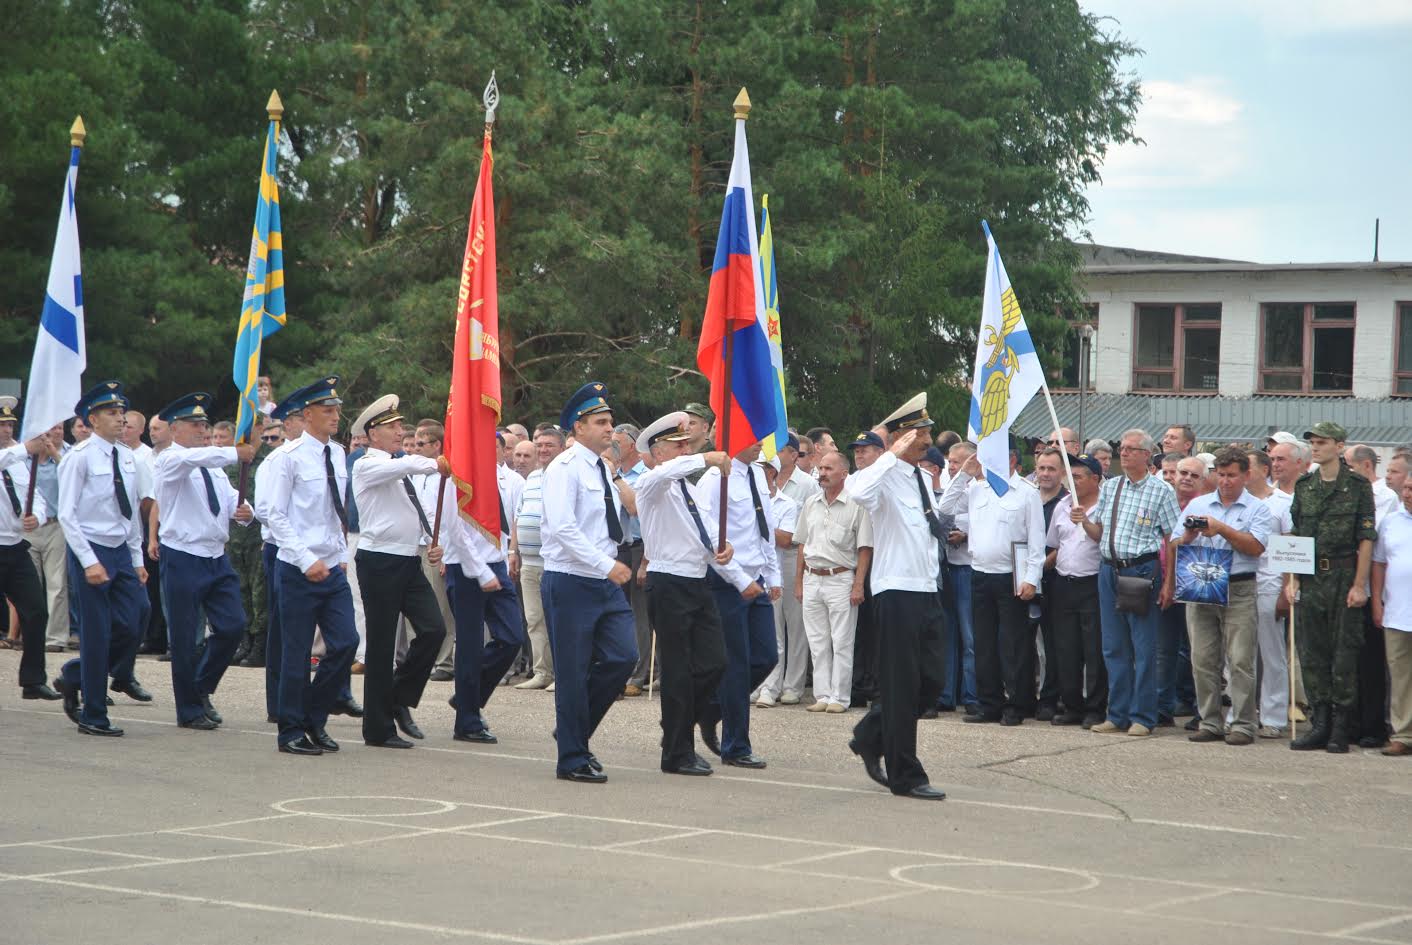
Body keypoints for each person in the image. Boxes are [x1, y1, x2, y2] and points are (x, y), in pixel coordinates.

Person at [843, 393, 946, 800]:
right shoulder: (882, 477)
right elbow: (856, 490)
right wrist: (888, 452)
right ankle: (906, 775)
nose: (928, 438)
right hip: (896, 590)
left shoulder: (921, 477)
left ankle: (871, 733)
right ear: (904, 435)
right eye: (921, 432)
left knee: (931, 682)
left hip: (926, 588)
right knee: (901, 686)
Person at [633, 412, 744, 775]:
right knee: (678, 671)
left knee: (715, 663)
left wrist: (724, 554)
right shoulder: (652, 483)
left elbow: (708, 530)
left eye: (687, 444)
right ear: (658, 452)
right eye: (677, 446)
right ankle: (677, 752)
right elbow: (663, 475)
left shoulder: (690, 489)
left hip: (697, 580)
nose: (685, 450)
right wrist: (705, 458)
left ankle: (681, 726)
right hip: (667, 582)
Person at [540, 382, 638, 783]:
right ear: (577, 427)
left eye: (611, 422)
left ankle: (572, 731)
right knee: (573, 671)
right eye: (600, 422)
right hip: (571, 580)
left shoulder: (602, 468)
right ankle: (572, 758)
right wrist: (606, 564)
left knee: (622, 656)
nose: (609, 430)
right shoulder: (563, 468)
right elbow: (563, 528)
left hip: (601, 579)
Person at [263, 376, 359, 756]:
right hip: (298, 568)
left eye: (337, 409)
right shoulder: (286, 458)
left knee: (347, 642)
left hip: (331, 566)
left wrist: (339, 556)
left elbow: (334, 511)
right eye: (327, 410)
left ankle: (314, 716)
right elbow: (275, 515)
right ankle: (290, 730)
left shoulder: (336, 453)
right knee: (297, 652)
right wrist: (306, 560)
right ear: (307, 415)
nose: (336, 415)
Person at [151, 393, 257, 730]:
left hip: (215, 556)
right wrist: (233, 453)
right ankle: (189, 709)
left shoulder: (212, 468)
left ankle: (201, 686)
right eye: (194, 424)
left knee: (232, 625)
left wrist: (245, 512)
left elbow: (230, 505)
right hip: (183, 556)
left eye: (204, 424)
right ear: (175, 429)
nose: (202, 429)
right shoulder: (171, 460)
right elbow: (196, 461)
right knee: (184, 638)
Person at [349, 395, 448, 749]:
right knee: (381, 645)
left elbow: (408, 513)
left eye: (399, 426)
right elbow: (403, 468)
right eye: (392, 427)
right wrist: (431, 463)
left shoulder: (398, 466)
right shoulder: (368, 465)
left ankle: (399, 697)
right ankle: (378, 728)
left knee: (434, 630)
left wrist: (430, 541)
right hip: (378, 563)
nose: (399, 432)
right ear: (373, 433)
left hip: (408, 560)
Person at [53, 382, 150, 736]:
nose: (120, 418)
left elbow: (130, 513)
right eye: (112, 413)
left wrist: (136, 558)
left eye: (122, 412)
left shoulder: (127, 455)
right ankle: (94, 715)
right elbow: (67, 514)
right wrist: (89, 560)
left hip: (121, 549)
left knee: (137, 615)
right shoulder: (79, 458)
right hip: (91, 547)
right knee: (96, 632)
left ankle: (76, 675)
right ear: (92, 419)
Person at [1079, 428, 1181, 738]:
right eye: (1122, 448)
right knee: (1113, 647)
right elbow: (1099, 533)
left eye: (1131, 449)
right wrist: (1083, 522)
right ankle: (1117, 713)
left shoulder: (1161, 490)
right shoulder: (1111, 488)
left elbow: (1172, 538)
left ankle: (1143, 715)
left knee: (1143, 647)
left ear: (1147, 455)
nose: (1123, 453)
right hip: (1108, 569)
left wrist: (1169, 583)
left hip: (1140, 571)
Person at [940, 439, 1044, 725]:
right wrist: (964, 473)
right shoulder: (976, 488)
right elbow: (944, 508)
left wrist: (1031, 578)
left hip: (1012, 575)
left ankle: (1016, 703)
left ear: (1011, 459)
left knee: (1012, 644)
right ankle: (989, 703)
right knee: (983, 643)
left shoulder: (1026, 492)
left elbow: (1036, 540)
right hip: (980, 573)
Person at [1173, 447, 1272, 746]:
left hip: (1239, 584)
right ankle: (1210, 721)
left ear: (1246, 475)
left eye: (1232, 475)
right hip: (1201, 581)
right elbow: (1175, 543)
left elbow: (1255, 547)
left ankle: (1242, 723)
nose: (1226, 481)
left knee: (1241, 658)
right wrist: (1189, 536)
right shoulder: (1199, 504)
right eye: (1221, 475)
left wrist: (1221, 529)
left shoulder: (1258, 508)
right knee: (1202, 658)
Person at [1288, 422, 1376, 754]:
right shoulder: (1305, 485)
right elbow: (1297, 534)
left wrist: (1359, 585)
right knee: (1312, 652)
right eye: (1313, 442)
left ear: (1340, 446)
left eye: (1322, 442)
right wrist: (1293, 579)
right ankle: (1320, 723)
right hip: (1311, 576)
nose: (1316, 447)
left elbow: (1366, 538)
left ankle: (1341, 726)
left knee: (1344, 652)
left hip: (1342, 574)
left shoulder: (1356, 486)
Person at [697, 438, 781, 769]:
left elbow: (765, 530)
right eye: (754, 438)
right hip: (727, 581)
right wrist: (738, 578)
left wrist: (772, 575)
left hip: (755, 577)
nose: (761, 443)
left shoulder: (757, 474)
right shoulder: (714, 479)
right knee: (736, 664)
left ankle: (711, 709)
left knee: (766, 657)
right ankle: (736, 745)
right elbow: (709, 537)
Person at [438, 437, 525, 747]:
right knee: (471, 645)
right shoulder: (457, 479)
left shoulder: (507, 479)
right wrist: (481, 571)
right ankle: (468, 720)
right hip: (466, 568)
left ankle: (466, 696)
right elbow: (456, 531)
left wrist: (502, 561)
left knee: (512, 636)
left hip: (497, 562)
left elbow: (508, 522)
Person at [793, 449, 872, 712]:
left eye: (828, 469)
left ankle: (839, 697)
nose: (822, 474)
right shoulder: (811, 503)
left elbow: (864, 548)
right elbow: (802, 545)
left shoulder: (857, 504)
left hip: (840, 577)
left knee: (842, 641)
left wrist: (858, 584)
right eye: (820, 469)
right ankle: (822, 695)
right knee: (817, 641)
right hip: (812, 576)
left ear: (843, 473)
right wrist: (798, 582)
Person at [0, 421, 61, 700]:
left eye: (10, 424)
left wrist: (35, 514)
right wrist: (26, 449)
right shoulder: (15, 454)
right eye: (1, 424)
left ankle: (33, 680)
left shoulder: (18, 458)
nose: (7, 430)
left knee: (36, 610)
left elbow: (34, 495)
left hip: (14, 547)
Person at [1044, 453, 1105, 727]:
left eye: (1079, 477)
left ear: (1095, 479)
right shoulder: (1061, 506)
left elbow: (1102, 539)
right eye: (1072, 476)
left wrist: (1085, 522)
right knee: (1065, 648)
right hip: (1063, 583)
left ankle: (1095, 706)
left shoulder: (1105, 504)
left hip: (1092, 583)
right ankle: (1071, 705)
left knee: (1093, 649)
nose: (1074, 482)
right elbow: (1056, 544)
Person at [511, 424, 566, 690]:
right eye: (539, 445)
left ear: (562, 448)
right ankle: (542, 672)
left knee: (558, 619)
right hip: (529, 562)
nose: (543, 449)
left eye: (549, 445)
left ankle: (562, 674)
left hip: (556, 562)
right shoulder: (531, 478)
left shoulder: (566, 476)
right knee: (534, 619)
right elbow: (518, 516)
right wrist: (514, 550)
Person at [1244, 450, 1294, 738]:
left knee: (1272, 653)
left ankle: (1274, 717)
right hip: (1242, 582)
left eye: (1248, 468)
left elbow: (1290, 547)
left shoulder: (1283, 503)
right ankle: (1244, 714)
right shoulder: (1240, 503)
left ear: (1264, 470)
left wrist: (1287, 588)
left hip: (1271, 582)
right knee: (1240, 654)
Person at [754, 455, 801, 707]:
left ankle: (771, 688)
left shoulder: (787, 503)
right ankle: (759, 684)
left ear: (771, 472)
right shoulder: (748, 500)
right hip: (752, 573)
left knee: (778, 633)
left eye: (759, 468)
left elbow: (785, 538)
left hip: (778, 571)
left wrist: (756, 525)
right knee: (758, 632)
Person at [1371, 479, 1412, 756]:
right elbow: (1379, 563)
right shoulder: (1390, 522)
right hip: (1397, 613)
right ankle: (1403, 734)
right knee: (1400, 678)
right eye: (1406, 488)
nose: (1407, 493)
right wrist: (1376, 601)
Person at [613, 423, 654, 697]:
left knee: (640, 615)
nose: (612, 447)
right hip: (618, 547)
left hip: (641, 547)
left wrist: (645, 562)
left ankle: (639, 674)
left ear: (632, 446)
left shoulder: (645, 475)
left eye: (617, 443)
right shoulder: (612, 472)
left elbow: (634, 508)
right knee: (619, 612)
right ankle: (620, 668)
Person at [25, 420, 70, 654]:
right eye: (49, 429)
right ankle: (31, 634)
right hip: (28, 527)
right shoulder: (24, 458)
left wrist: (55, 455)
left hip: (56, 525)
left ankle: (55, 638)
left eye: (59, 428)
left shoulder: (68, 455)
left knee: (57, 583)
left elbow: (74, 478)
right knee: (31, 584)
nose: (53, 433)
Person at [941, 441, 977, 715]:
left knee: (970, 638)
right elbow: (944, 510)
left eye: (957, 462)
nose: (951, 467)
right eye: (950, 462)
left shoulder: (980, 487)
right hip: (948, 568)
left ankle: (972, 695)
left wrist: (965, 533)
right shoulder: (951, 483)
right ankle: (946, 693)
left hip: (970, 570)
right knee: (947, 635)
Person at [1032, 447, 1068, 719]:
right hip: (1025, 580)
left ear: (1062, 472)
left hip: (1054, 578)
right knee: (1029, 644)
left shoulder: (1067, 503)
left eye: (1051, 469)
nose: (1045, 474)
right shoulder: (1027, 497)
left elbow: (1067, 542)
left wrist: (1042, 564)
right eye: (1042, 468)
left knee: (1054, 644)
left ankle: (1051, 698)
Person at [1345, 445, 1398, 524]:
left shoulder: (1386, 496)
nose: (1346, 471)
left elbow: (1374, 527)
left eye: (1350, 467)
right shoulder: (1345, 490)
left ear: (1367, 465)